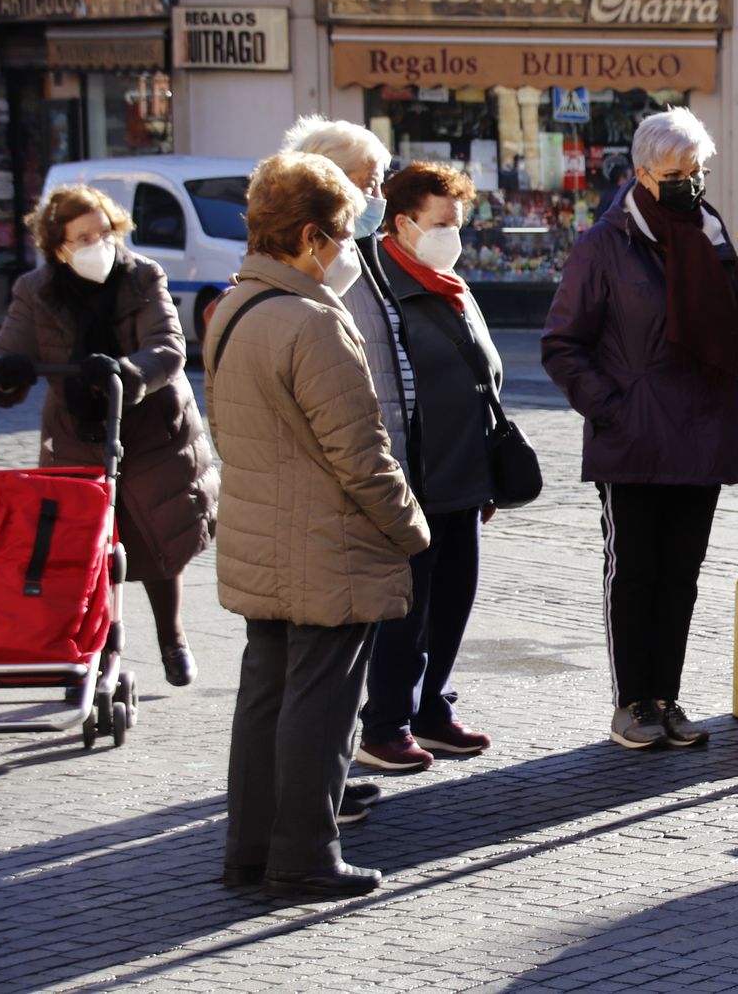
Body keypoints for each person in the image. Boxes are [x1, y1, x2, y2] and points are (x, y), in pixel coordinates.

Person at [208, 151, 429, 898]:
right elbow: (362, 456)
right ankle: (303, 854)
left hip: (263, 537)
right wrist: (412, 530)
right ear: (309, 237)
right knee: (323, 706)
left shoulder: (234, 306)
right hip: (327, 543)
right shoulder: (312, 323)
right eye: (340, 234)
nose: (347, 250)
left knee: (266, 696)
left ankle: (252, 849)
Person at [543, 107, 738, 751]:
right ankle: (631, 703)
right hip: (635, 441)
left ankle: (666, 697)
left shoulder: (711, 229)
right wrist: (614, 408)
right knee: (634, 573)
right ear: (641, 171)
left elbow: (737, 327)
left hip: (703, 433)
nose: (690, 182)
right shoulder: (605, 244)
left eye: (697, 170)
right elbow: (562, 345)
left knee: (682, 575)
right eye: (676, 171)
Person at [0, 185, 216, 687]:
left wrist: (127, 371)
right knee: (76, 541)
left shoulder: (142, 276)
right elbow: (6, 347)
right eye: (83, 237)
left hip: (152, 427)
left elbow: (168, 346)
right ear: (59, 247)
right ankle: (90, 643)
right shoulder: (35, 289)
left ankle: (171, 637)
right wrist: (7, 371)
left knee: (158, 540)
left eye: (104, 232)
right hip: (77, 431)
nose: (98, 244)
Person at [280, 116, 417, 824]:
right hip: (336, 485)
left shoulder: (354, 254)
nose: (375, 193)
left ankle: (326, 781)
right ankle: (305, 803)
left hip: (369, 462)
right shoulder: (311, 267)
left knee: (344, 658)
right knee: (318, 662)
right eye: (365, 181)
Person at [355, 161, 499, 773]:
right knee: (405, 606)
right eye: (442, 223)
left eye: (458, 223)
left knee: (452, 600)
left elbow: (480, 374)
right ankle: (384, 722)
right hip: (412, 474)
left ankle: (431, 710)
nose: (453, 235)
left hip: (462, 473)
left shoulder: (450, 285)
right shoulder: (374, 284)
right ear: (403, 222)